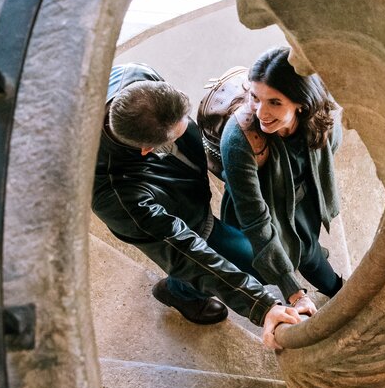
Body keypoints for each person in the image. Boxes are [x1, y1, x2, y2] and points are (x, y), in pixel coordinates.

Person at [91, 63, 305, 349]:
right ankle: (179, 292)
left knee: (259, 247)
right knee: (253, 265)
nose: (189, 126)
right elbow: (185, 251)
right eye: (177, 137)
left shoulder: (135, 75)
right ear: (148, 151)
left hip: (188, 195)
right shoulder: (120, 199)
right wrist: (262, 305)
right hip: (186, 222)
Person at [220, 47, 344, 314]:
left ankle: (336, 287)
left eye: (274, 102)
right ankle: (181, 288)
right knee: (257, 266)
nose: (261, 112)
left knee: (306, 249)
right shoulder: (238, 140)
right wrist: (293, 291)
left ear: (302, 103)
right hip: (261, 202)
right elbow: (255, 220)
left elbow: (330, 150)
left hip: (302, 198)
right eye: (255, 97)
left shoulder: (322, 115)